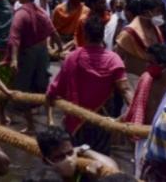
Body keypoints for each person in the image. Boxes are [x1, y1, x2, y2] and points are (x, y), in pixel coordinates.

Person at [45, 16, 131, 153]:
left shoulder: (72, 57)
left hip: (76, 119)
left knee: (75, 159)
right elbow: (126, 91)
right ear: (102, 35)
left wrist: (49, 102)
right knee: (100, 160)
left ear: (85, 35)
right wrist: (128, 116)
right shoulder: (114, 60)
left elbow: (55, 89)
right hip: (102, 121)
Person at [6, 0, 58, 130]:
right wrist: (59, 48)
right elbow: (53, 31)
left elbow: (14, 38)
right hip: (42, 53)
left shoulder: (20, 13)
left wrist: (14, 59)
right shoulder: (41, 11)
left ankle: (30, 126)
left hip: (27, 54)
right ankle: (50, 119)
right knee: (44, 88)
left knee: (23, 91)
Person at [32, 124, 118, 181]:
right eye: (60, 157)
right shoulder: (43, 177)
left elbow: (113, 170)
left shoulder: (82, 170)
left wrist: (85, 151)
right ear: (47, 161)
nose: (69, 160)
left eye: (70, 153)